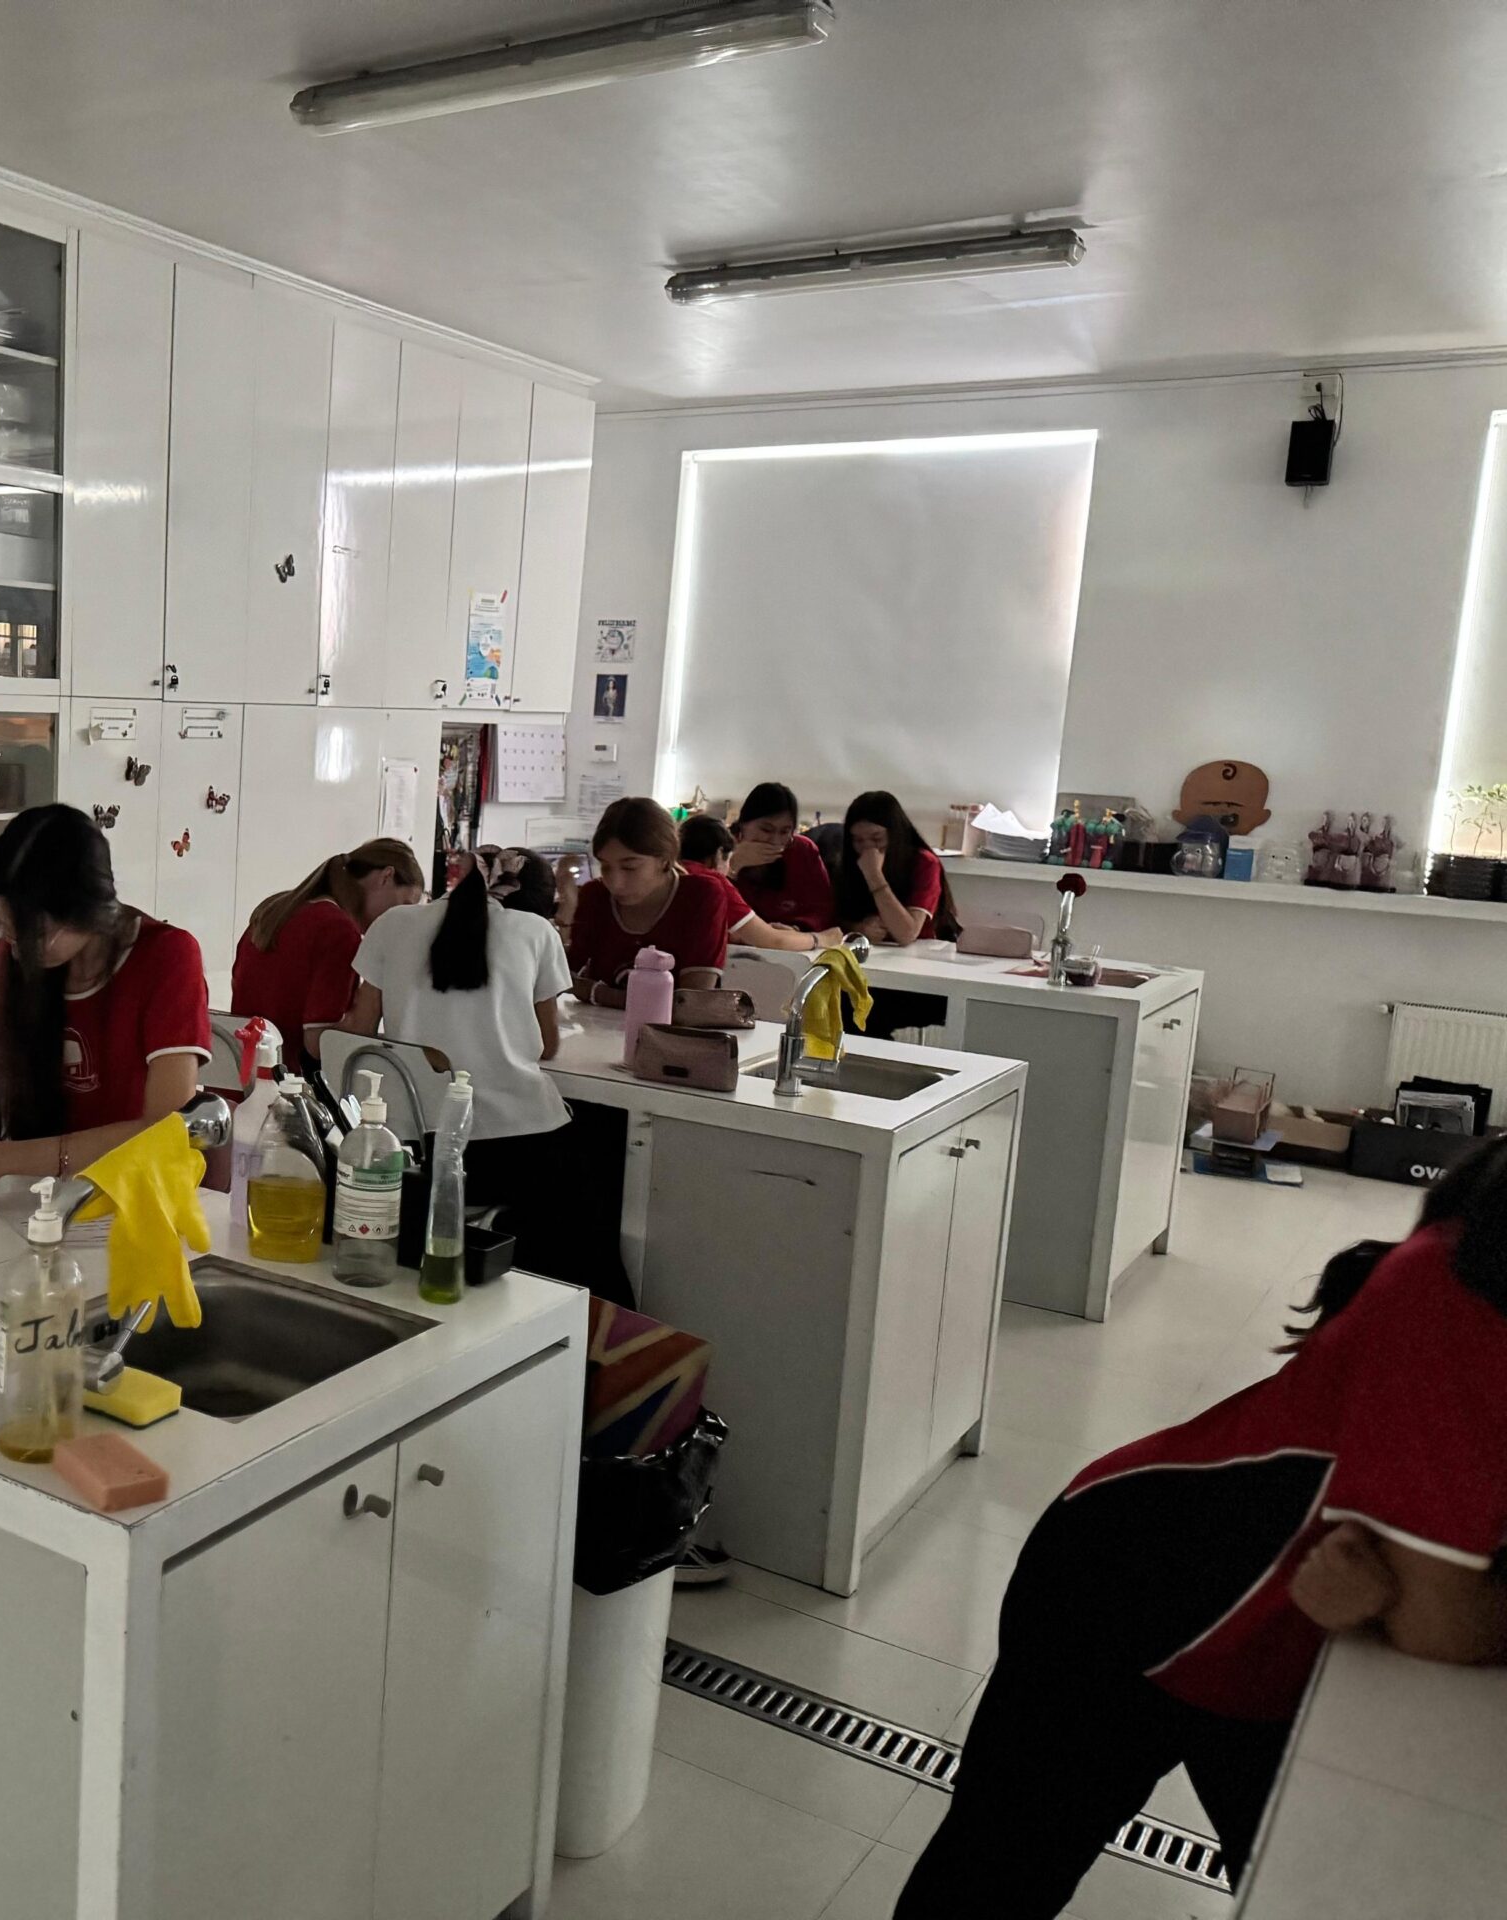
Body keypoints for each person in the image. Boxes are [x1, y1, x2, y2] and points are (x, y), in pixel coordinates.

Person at [897, 1139, 1507, 1918]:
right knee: (992, 1882)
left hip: (1278, 1637)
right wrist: (1443, 1598)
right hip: (1135, 1593)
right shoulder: (1458, 1289)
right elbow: (1441, 1626)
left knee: (1309, 1893)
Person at [0, 805, 211, 1225]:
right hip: (38, 1197)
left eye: (33, 933)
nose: (15, 947)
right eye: (5, 929)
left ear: (87, 911)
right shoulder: (18, 956)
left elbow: (164, 1128)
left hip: (131, 1204)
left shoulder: (167, 956)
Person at [343, 865, 629, 1302]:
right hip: (515, 1154)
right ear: (533, 903)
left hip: (413, 1150)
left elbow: (359, 1033)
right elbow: (548, 1044)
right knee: (596, 1186)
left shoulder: (392, 924)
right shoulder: (536, 932)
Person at [564, 798, 824, 1004]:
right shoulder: (595, 894)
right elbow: (567, 980)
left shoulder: (702, 894)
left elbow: (690, 1000)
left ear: (665, 860)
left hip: (669, 1041)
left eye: (630, 867)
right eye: (605, 867)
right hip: (597, 1033)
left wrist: (599, 994)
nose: (614, 882)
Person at [231, 837, 424, 1065]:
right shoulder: (339, 930)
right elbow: (320, 1043)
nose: (402, 920)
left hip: (240, 1071)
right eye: (405, 905)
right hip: (288, 1078)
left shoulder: (276, 909)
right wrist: (375, 991)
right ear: (386, 877)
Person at [828, 789, 958, 947]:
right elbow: (831, 919)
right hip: (868, 949)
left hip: (917, 951)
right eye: (858, 840)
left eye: (877, 838)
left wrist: (874, 875)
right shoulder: (847, 861)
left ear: (895, 834)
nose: (868, 847)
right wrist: (858, 928)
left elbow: (907, 934)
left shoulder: (924, 863)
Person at [723, 781, 835, 930]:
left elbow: (823, 909)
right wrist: (732, 867)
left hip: (791, 939)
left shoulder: (802, 850)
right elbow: (709, 910)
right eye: (766, 830)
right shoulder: (721, 850)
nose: (775, 841)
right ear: (743, 824)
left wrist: (798, 929)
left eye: (784, 832)